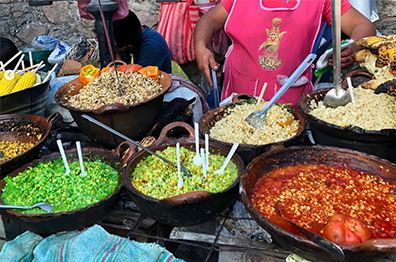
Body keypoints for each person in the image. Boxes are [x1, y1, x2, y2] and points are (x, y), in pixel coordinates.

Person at [194, 0, 376, 106]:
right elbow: (209, 21)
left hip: (291, 103)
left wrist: (352, 48)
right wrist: (201, 46)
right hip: (238, 98)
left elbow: (363, 25)